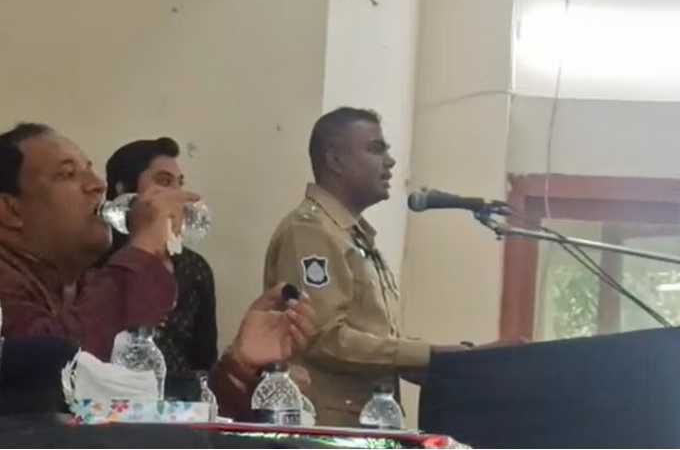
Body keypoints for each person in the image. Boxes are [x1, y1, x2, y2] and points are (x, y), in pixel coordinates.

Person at [0, 123, 316, 420]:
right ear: (10, 210)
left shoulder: (83, 283)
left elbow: (141, 410)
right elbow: (52, 375)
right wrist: (142, 254)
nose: (97, 185)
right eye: (67, 174)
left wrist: (237, 369)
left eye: (90, 169)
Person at [263, 107, 518, 427]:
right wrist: (433, 355)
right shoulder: (310, 232)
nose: (390, 161)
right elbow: (324, 339)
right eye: (376, 149)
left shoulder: (349, 235)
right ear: (336, 161)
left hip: (365, 424)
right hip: (327, 430)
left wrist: (460, 361)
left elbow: (375, 341)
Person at [101, 137, 217, 374]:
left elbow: (205, 362)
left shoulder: (194, 267)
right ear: (124, 190)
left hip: (182, 396)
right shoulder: (98, 262)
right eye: (164, 182)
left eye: (179, 183)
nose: (176, 195)